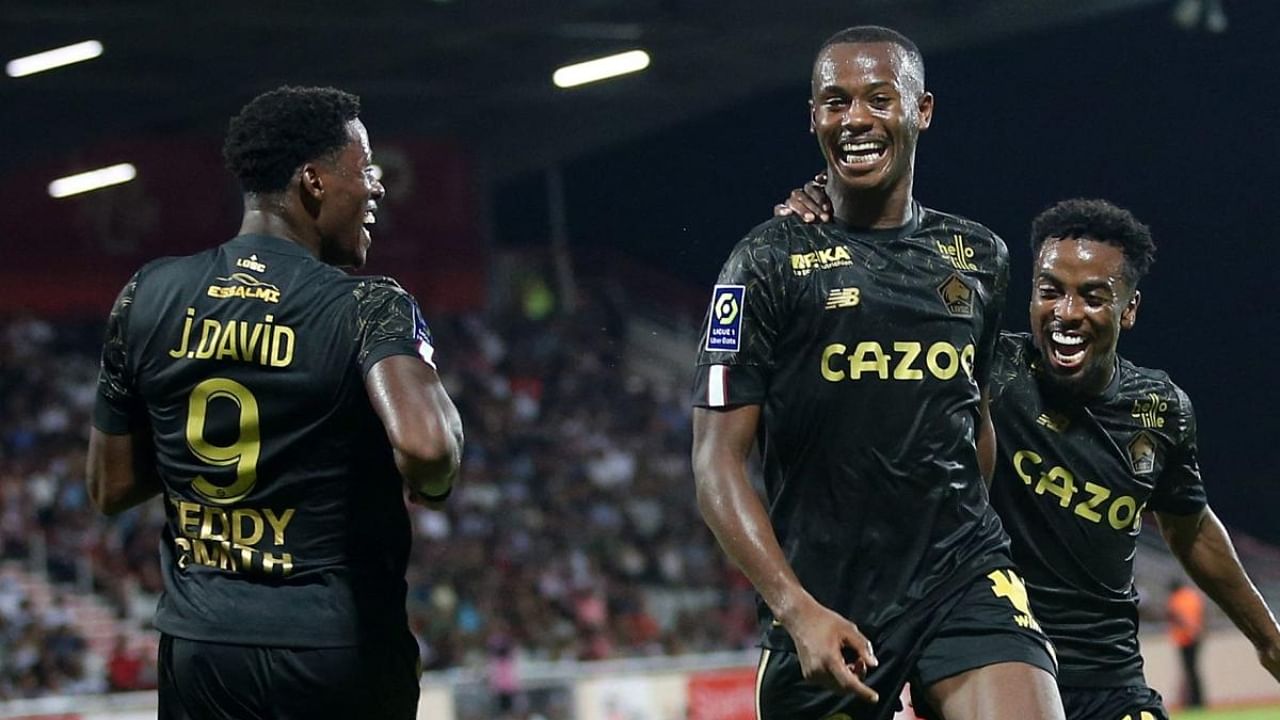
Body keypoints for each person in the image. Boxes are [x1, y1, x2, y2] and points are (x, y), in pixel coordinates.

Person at [779, 189, 1280, 718]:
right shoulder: (985, 370)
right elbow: (880, 314)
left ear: (1129, 309)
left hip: (1107, 683)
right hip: (980, 664)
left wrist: (1269, 640)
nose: (1067, 313)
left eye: (1093, 296)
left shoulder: (1160, 410)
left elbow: (1192, 528)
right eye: (1050, 292)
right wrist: (838, 216)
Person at [691, 26, 1063, 720]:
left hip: (964, 574)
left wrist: (963, 532)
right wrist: (796, 611)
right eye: (835, 102)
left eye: (878, 98)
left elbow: (974, 416)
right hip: (827, 598)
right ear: (812, 118)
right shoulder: (764, 263)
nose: (855, 117)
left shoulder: (980, 257)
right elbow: (716, 463)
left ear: (921, 110)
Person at [86, 85, 463, 719]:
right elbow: (426, 448)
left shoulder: (146, 293)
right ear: (314, 182)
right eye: (364, 170)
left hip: (201, 647)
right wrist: (438, 473)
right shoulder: (366, 305)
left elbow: (110, 485)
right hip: (333, 647)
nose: (377, 189)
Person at [1167, 579, 1206, 708]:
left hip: (1184, 638)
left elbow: (1179, 617)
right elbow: (1202, 613)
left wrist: (1190, 630)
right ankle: (1197, 699)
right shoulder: (1192, 595)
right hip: (1196, 636)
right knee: (1194, 670)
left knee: (1189, 670)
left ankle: (1193, 701)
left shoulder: (1176, 599)